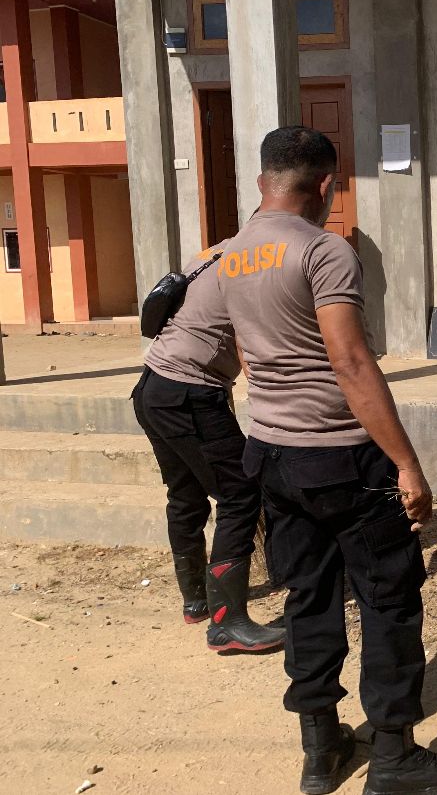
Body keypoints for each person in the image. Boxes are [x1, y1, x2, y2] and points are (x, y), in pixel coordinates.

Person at [218, 126, 437, 795]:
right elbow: (350, 360)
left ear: (262, 181)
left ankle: (320, 746)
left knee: (309, 595)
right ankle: (394, 755)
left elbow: (242, 350)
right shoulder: (324, 250)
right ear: (327, 185)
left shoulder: (228, 253)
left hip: (270, 452)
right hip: (343, 458)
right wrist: (406, 464)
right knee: (389, 597)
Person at [133, 243, 284, 654]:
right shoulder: (255, 262)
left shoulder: (212, 253)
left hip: (153, 387)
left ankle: (196, 600)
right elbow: (247, 344)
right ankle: (226, 624)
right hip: (190, 394)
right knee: (241, 492)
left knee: (185, 495)